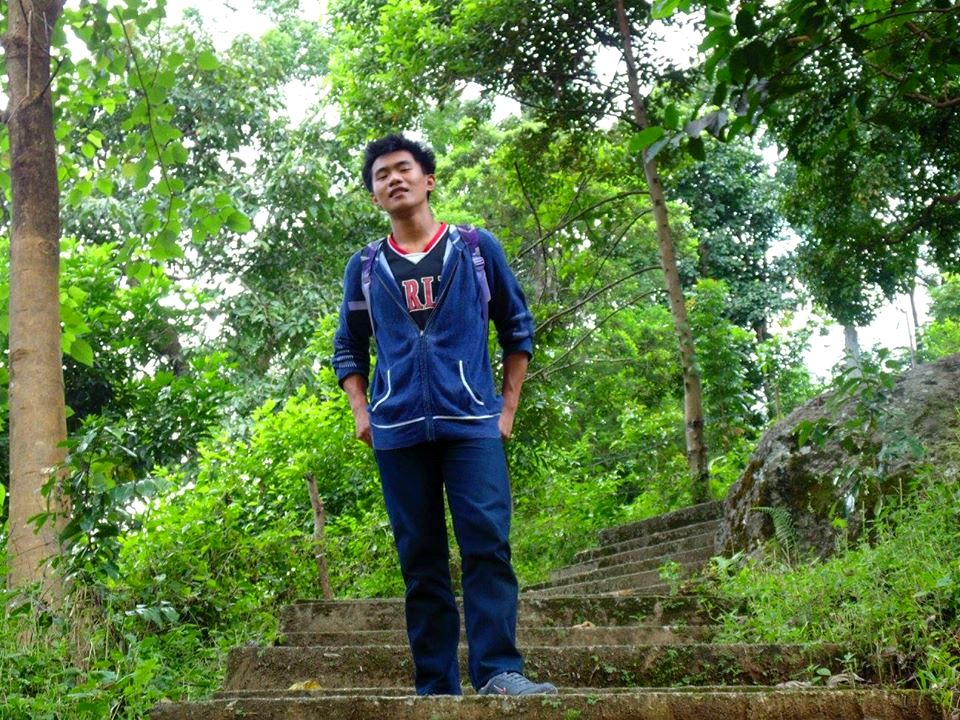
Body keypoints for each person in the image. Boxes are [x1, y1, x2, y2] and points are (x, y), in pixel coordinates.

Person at [332, 133, 557, 697]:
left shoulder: (475, 248)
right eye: (381, 176)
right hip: (397, 431)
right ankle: (435, 686)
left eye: (403, 169)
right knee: (420, 558)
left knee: (486, 543)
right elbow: (347, 348)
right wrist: (362, 411)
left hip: (472, 425)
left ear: (428, 179)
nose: (393, 179)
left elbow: (517, 327)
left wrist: (505, 407)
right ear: (375, 197)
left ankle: (499, 672)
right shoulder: (364, 267)